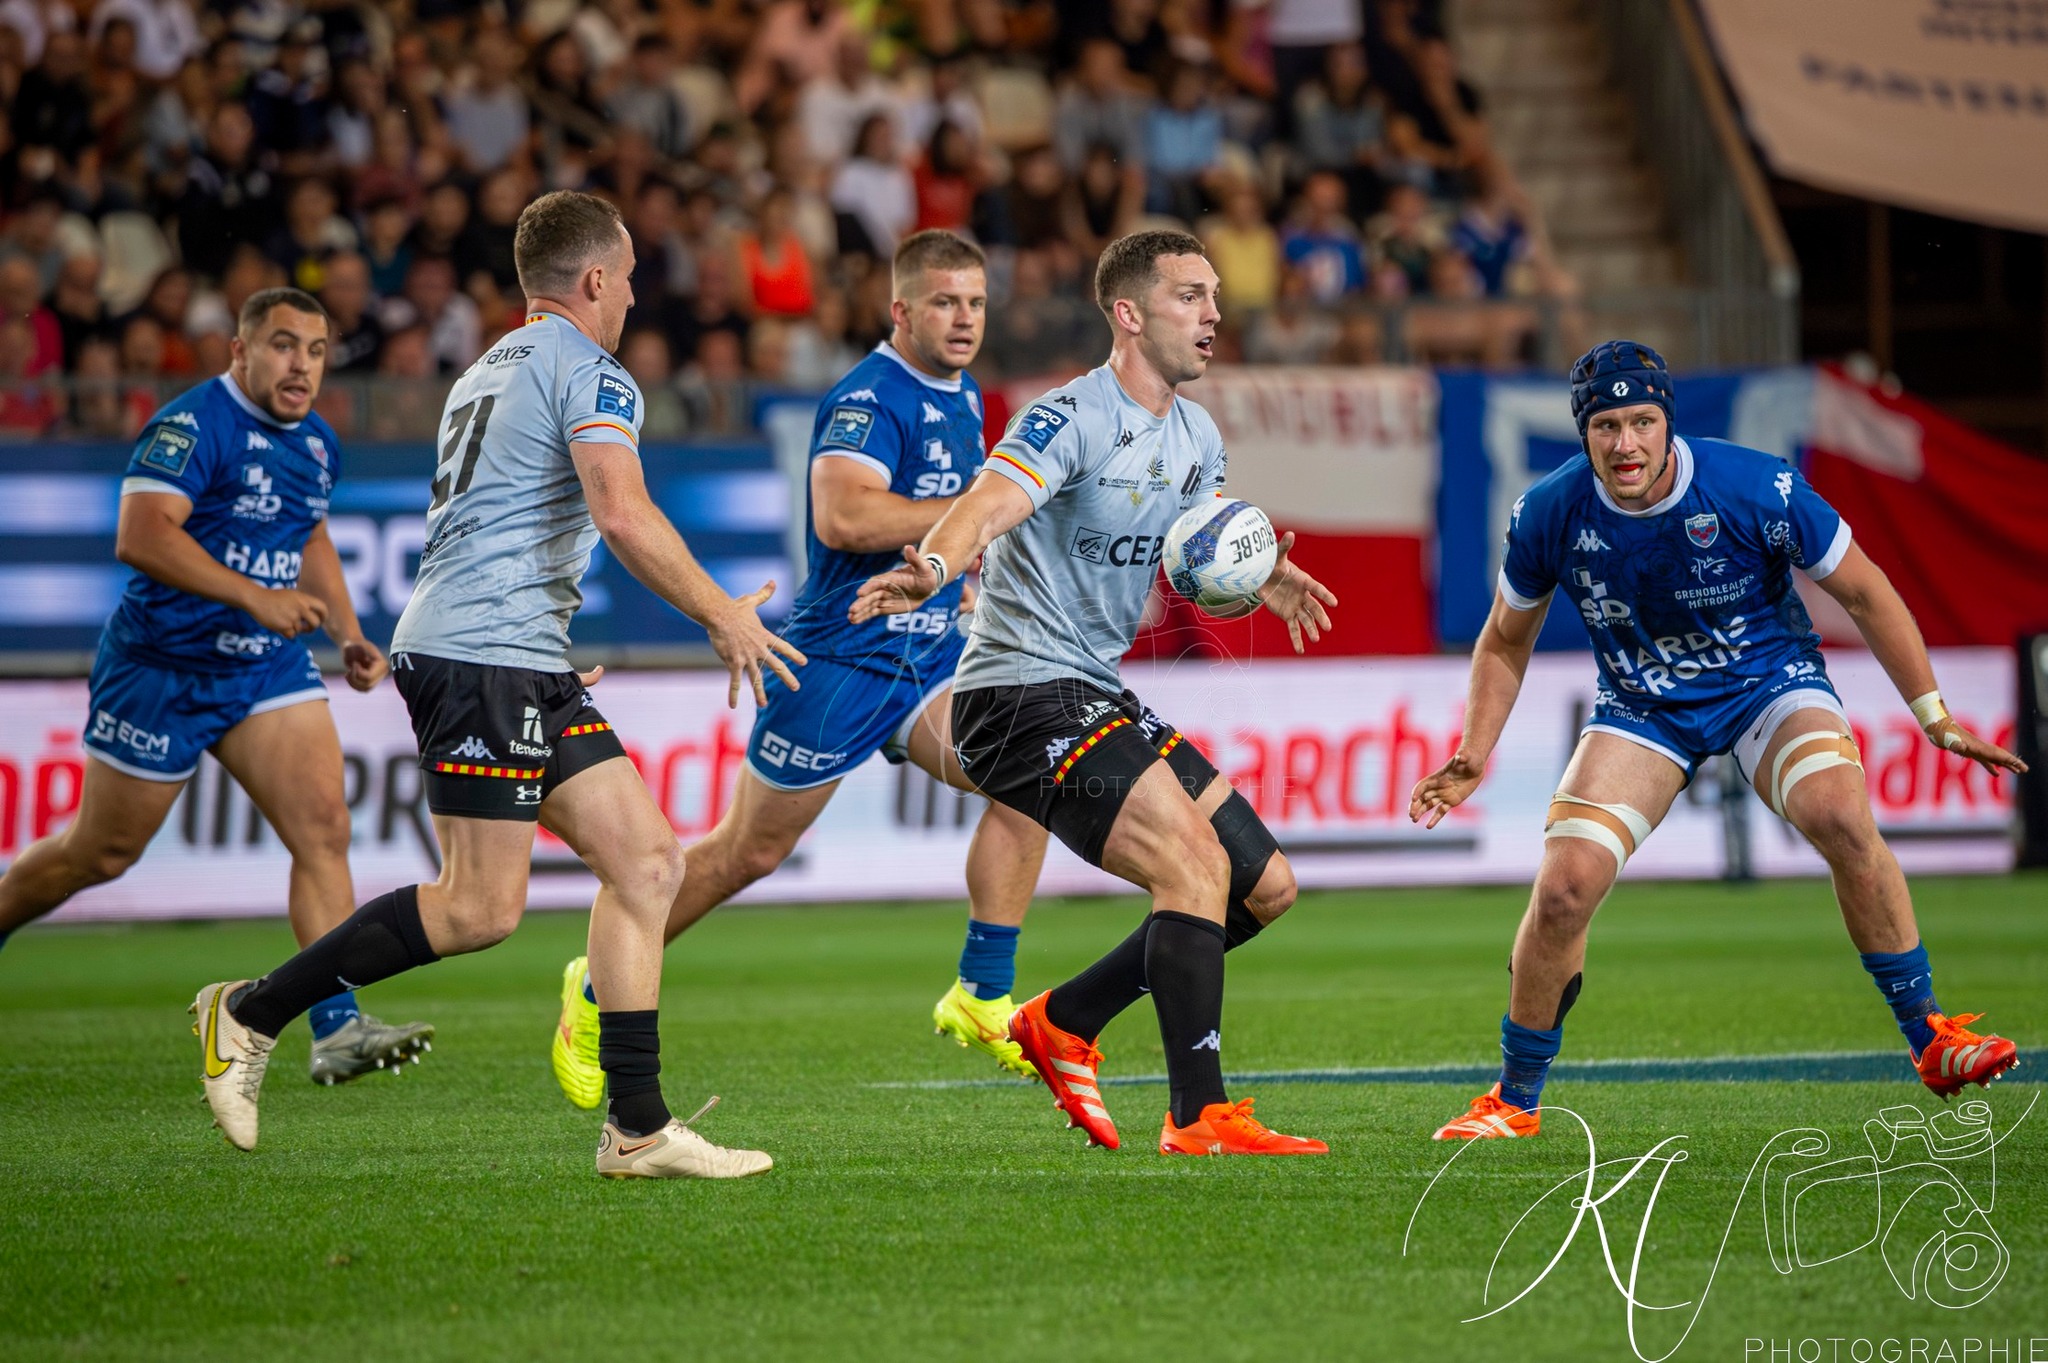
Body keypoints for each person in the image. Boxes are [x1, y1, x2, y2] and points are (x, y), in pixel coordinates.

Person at [191, 192, 805, 1180]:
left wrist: (542, 648)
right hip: (484, 654)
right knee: (479, 907)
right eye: (631, 273)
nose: (637, 291)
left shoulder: (486, 367)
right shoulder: (591, 372)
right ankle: (249, 1011)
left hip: (511, 651)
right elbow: (623, 513)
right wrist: (721, 612)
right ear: (597, 280)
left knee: (648, 864)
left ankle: (636, 1127)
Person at [1413, 341, 2026, 1141]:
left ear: (1669, 421)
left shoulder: (1756, 485)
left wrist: (1934, 715)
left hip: (1768, 682)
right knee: (1564, 889)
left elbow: (1867, 591)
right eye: (1606, 425)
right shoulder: (1549, 511)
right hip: (1643, 705)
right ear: (1583, 432)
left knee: (1841, 816)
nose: (1625, 443)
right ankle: (1514, 1100)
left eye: (1642, 421)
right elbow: (1502, 639)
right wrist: (1472, 751)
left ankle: (1933, 1038)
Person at [850, 230, 1340, 1157]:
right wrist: (935, 566)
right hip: (1016, 692)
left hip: (1090, 688)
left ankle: (1064, 1018)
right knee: (1192, 867)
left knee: (1264, 886)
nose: (1213, 314)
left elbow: (1199, 549)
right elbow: (995, 498)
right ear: (1128, 313)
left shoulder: (1197, 435)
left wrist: (1261, 571)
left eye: (1214, 296)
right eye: (1189, 296)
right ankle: (1202, 1115)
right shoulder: (1067, 415)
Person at [549, 230, 1052, 1108]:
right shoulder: (869, 394)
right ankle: (593, 987)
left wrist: (964, 574)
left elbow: (937, 530)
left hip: (927, 656)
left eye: (974, 301)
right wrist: (979, 510)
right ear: (901, 310)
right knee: (749, 852)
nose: (964, 317)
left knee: (1037, 769)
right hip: (839, 662)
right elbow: (844, 516)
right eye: (944, 301)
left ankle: (981, 988)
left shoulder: (964, 392)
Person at [0, 286, 432, 1085]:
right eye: (281, 344)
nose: (299, 364)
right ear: (239, 351)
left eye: (314, 348)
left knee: (325, 827)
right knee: (101, 853)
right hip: (161, 665)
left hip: (262, 666)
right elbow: (140, 534)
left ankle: (335, 1028)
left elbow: (310, 534)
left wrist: (348, 634)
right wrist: (253, 594)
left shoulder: (317, 443)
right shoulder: (193, 424)